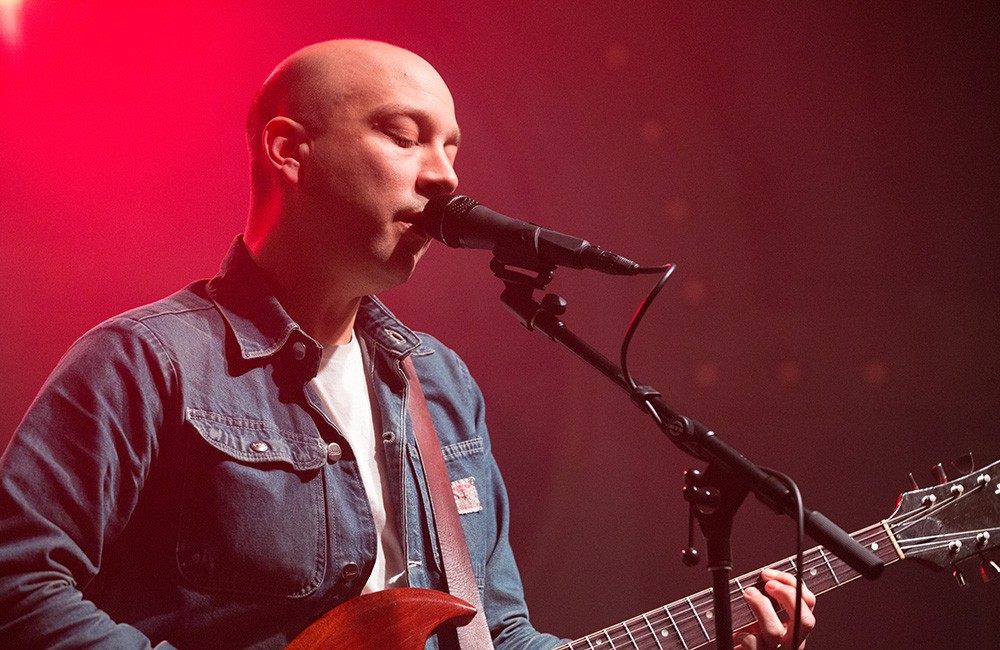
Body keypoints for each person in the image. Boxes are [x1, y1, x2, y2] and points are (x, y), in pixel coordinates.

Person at [0, 39, 815, 649]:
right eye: (404, 135)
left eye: (451, 145)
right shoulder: (147, 362)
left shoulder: (438, 383)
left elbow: (496, 634)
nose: (444, 177)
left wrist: (718, 632)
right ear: (289, 151)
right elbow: (18, 585)